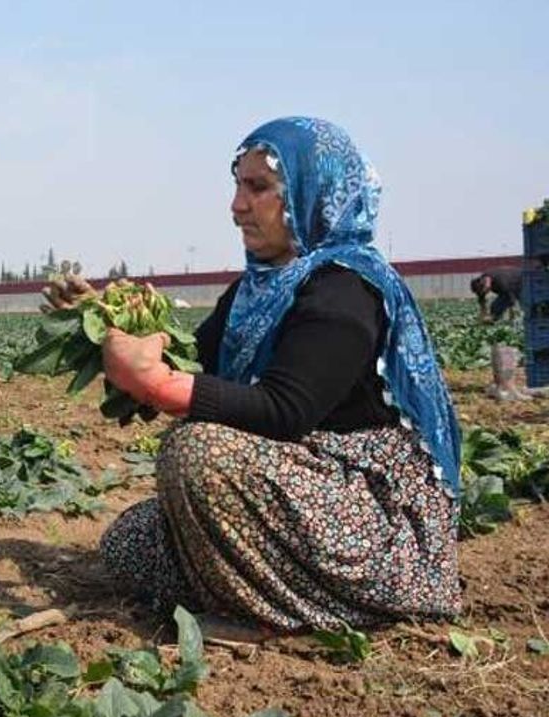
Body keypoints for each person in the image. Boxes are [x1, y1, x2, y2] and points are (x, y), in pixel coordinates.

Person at [47, 117, 462, 637]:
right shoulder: (256, 289)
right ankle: (259, 590)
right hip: (292, 492)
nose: (237, 206)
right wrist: (105, 321)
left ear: (314, 194)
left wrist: (158, 384)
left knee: (196, 452)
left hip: (361, 510)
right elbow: (192, 365)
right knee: (130, 539)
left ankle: (272, 615)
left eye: (258, 187)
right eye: (238, 186)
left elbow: (285, 410)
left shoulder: (345, 290)